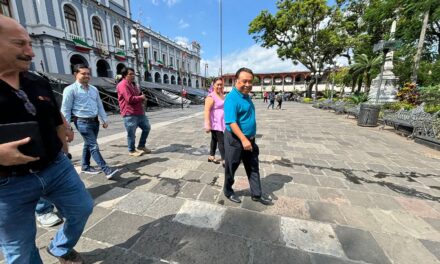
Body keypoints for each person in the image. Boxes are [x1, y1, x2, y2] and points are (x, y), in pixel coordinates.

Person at [0, 15, 93, 263]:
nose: (30, 52)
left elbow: (56, 119)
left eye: (29, 44)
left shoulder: (37, 81)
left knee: (82, 208)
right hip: (7, 185)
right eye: (20, 44)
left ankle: (60, 247)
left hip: (55, 167)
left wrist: (64, 145)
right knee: (19, 251)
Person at [223, 67, 272, 205]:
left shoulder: (246, 96)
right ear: (236, 81)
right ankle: (228, 190)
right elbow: (231, 122)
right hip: (236, 139)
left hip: (249, 140)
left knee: (253, 166)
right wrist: (243, 139)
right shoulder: (232, 98)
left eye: (250, 82)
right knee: (231, 167)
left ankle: (256, 194)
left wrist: (249, 138)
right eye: (244, 81)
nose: (248, 85)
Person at [61, 64, 119, 179]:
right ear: (75, 74)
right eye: (83, 73)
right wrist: (67, 128)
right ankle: (106, 170)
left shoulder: (94, 89)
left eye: (88, 73)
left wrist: (104, 119)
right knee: (93, 146)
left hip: (95, 121)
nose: (87, 76)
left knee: (88, 144)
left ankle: (85, 166)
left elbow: (99, 105)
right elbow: (65, 110)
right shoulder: (70, 90)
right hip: (82, 122)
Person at [116, 67, 151, 157]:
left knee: (147, 128)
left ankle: (141, 146)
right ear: (124, 75)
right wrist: (141, 98)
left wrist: (142, 97)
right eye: (130, 74)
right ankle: (131, 150)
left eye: (133, 74)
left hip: (139, 112)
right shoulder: (122, 85)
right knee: (131, 133)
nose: (133, 76)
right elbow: (129, 99)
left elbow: (138, 94)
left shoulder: (133, 84)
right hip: (129, 113)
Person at [204, 77, 225, 165]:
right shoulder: (211, 96)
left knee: (214, 139)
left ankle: (211, 156)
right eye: (218, 84)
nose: (219, 86)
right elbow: (207, 111)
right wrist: (207, 124)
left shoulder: (221, 94)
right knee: (221, 140)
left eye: (221, 84)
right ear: (214, 85)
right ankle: (225, 159)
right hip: (215, 123)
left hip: (221, 121)